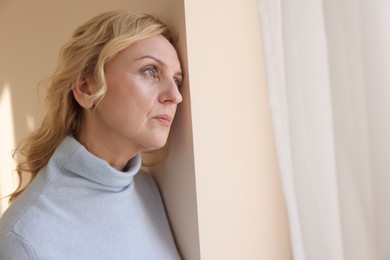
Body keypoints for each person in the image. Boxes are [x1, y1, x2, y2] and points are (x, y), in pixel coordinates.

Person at [0, 11, 183, 259]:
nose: (175, 96)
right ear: (87, 89)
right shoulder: (24, 237)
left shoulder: (147, 189)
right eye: (150, 71)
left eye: (177, 80)